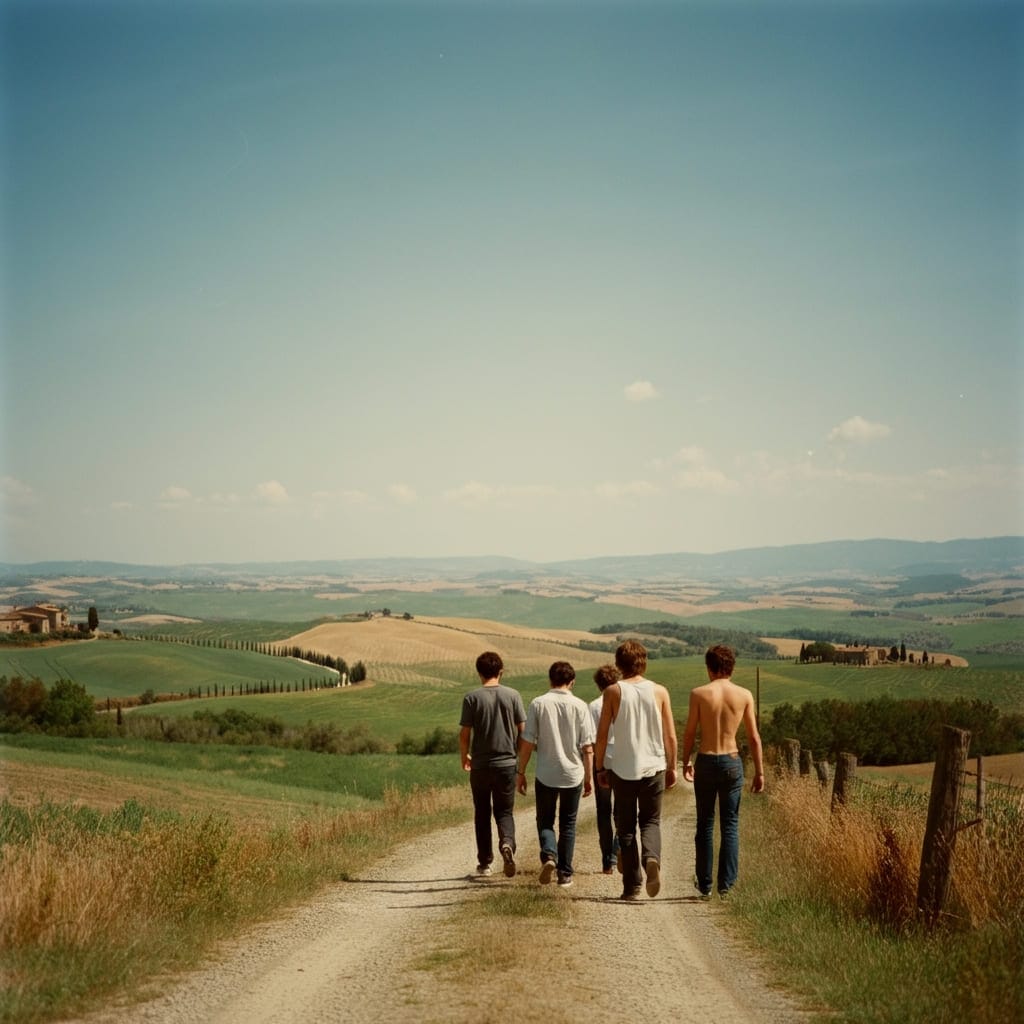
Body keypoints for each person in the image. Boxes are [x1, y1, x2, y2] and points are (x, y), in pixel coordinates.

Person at [595, 640, 677, 900]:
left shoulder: (613, 692)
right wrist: (672, 765)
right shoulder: (660, 691)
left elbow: (601, 736)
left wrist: (599, 768)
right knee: (651, 821)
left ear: (619, 664)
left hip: (623, 768)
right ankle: (651, 858)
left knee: (626, 827)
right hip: (654, 766)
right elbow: (670, 736)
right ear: (644, 662)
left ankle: (632, 886)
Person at [681, 644, 765, 900]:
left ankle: (705, 883)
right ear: (732, 668)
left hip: (706, 760)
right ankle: (726, 884)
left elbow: (690, 733)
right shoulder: (744, 695)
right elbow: (754, 737)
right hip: (731, 760)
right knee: (730, 824)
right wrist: (759, 771)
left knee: (705, 823)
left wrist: (685, 761)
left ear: (709, 668)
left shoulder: (698, 694)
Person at [517, 661, 595, 888]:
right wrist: (589, 778)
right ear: (572, 682)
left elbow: (527, 742)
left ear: (550, 679)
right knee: (568, 824)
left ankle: (550, 854)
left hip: (546, 773)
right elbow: (587, 748)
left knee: (545, 820)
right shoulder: (581, 706)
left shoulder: (538, 703)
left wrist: (520, 771)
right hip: (573, 774)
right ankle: (565, 874)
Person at [460, 651, 526, 878]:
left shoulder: (471, 698)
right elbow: (523, 730)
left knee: (482, 812)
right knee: (504, 811)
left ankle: (485, 862)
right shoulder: (513, 695)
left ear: (479, 672)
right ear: (501, 671)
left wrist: (465, 756)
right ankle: (507, 843)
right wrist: (517, 755)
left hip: (480, 765)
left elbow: (465, 734)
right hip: (506, 764)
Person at [589, 664, 620, 874]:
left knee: (603, 810)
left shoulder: (593, 706)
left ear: (598, 684)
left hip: (601, 760)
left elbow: (593, 739)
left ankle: (607, 860)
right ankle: (618, 849)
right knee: (623, 808)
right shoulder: (623, 701)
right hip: (623, 760)